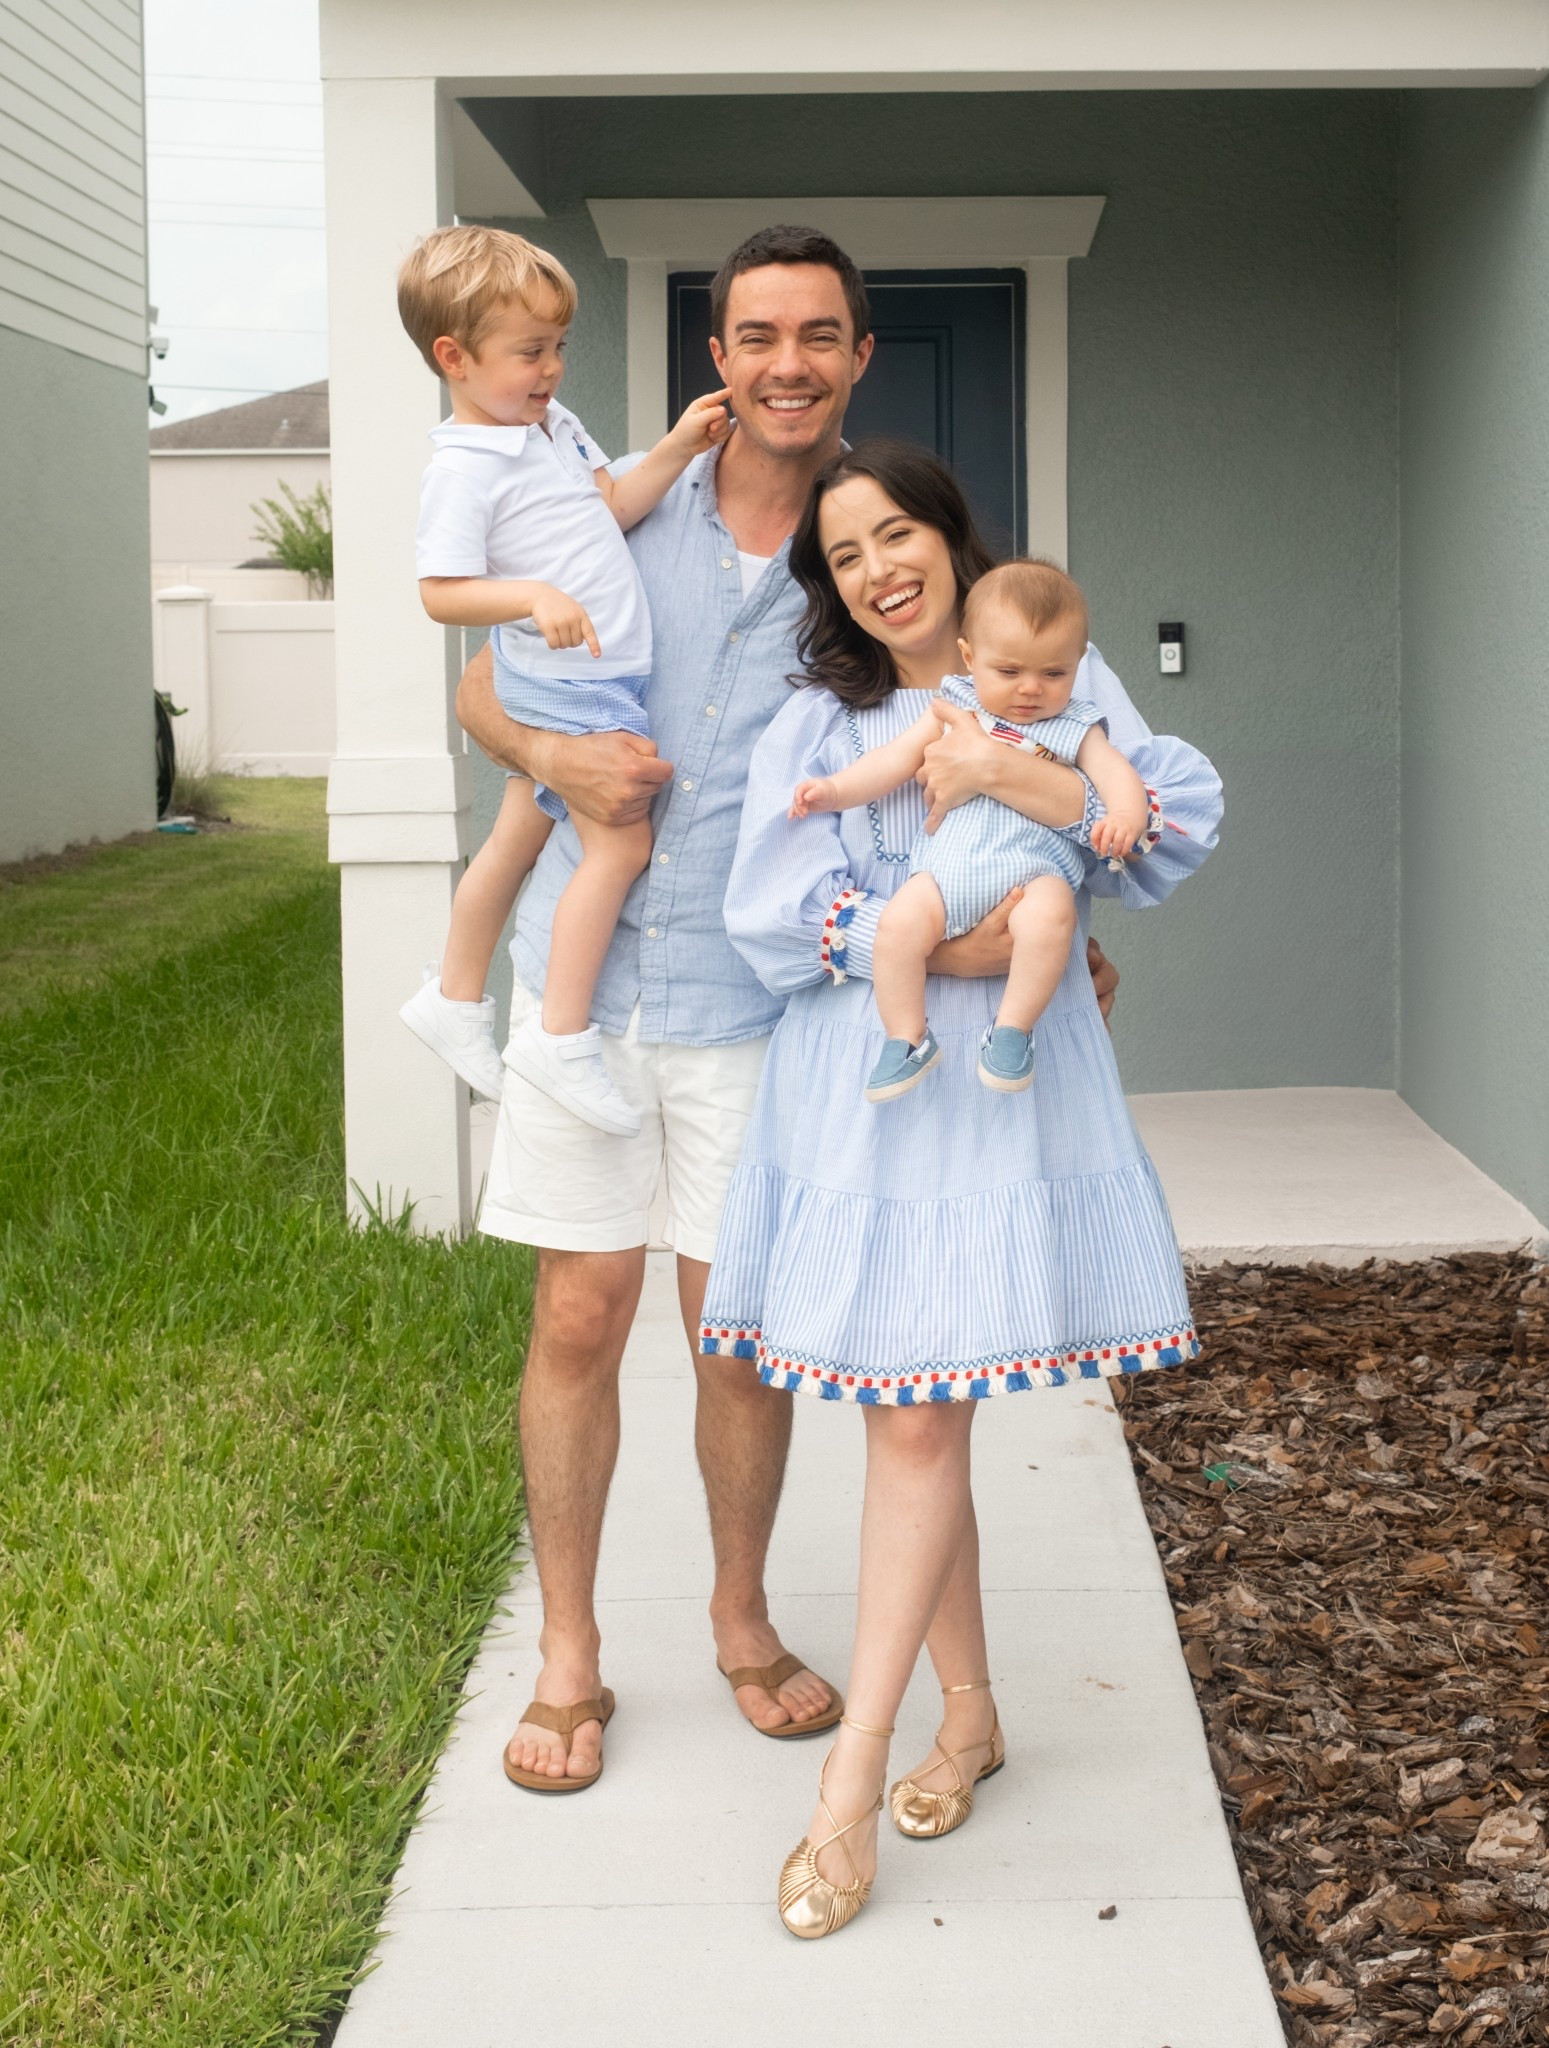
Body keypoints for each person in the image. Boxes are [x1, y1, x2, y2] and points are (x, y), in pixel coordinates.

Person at [452, 227, 1122, 1796]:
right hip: (589, 970)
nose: (787, 363)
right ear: (718, 356)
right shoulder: (608, 510)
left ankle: (741, 1624)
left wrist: (1055, 923)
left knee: (735, 1340)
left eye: (818, 335)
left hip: (756, 1003)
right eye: (757, 335)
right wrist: (551, 763)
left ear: (857, 357)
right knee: (575, 1313)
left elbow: (1010, 740)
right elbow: (485, 686)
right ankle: (569, 1658)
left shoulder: (871, 580)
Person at [696, 440, 1222, 1937]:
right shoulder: (818, 714)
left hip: (992, 1119)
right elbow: (768, 909)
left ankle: (846, 1786)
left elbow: (1166, 824)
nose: (876, 566)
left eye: (897, 532)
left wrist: (1017, 771)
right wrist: (938, 943)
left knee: (921, 1419)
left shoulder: (1052, 667)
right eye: (843, 551)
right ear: (830, 583)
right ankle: (970, 1715)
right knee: (912, 1416)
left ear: (947, 535)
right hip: (864, 1106)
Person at [396, 224, 732, 1130]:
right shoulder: (463, 468)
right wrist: (530, 595)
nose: (550, 369)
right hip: (566, 680)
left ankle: (454, 996)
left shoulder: (548, 426)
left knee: (519, 831)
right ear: (454, 357)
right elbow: (438, 592)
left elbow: (609, 508)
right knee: (619, 844)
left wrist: (675, 449)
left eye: (558, 348)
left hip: (595, 675)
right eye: (528, 353)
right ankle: (559, 1037)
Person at [790, 555, 1152, 1099]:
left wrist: (1125, 816)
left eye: (1053, 673)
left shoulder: (1076, 724)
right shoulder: (954, 705)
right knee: (896, 928)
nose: (1031, 689)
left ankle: (1012, 1031)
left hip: (1033, 874)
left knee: (1051, 919)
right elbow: (892, 761)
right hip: (947, 872)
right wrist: (836, 790)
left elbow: (1117, 775)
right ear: (970, 657)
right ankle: (907, 1037)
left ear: (1078, 665)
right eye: (1009, 671)